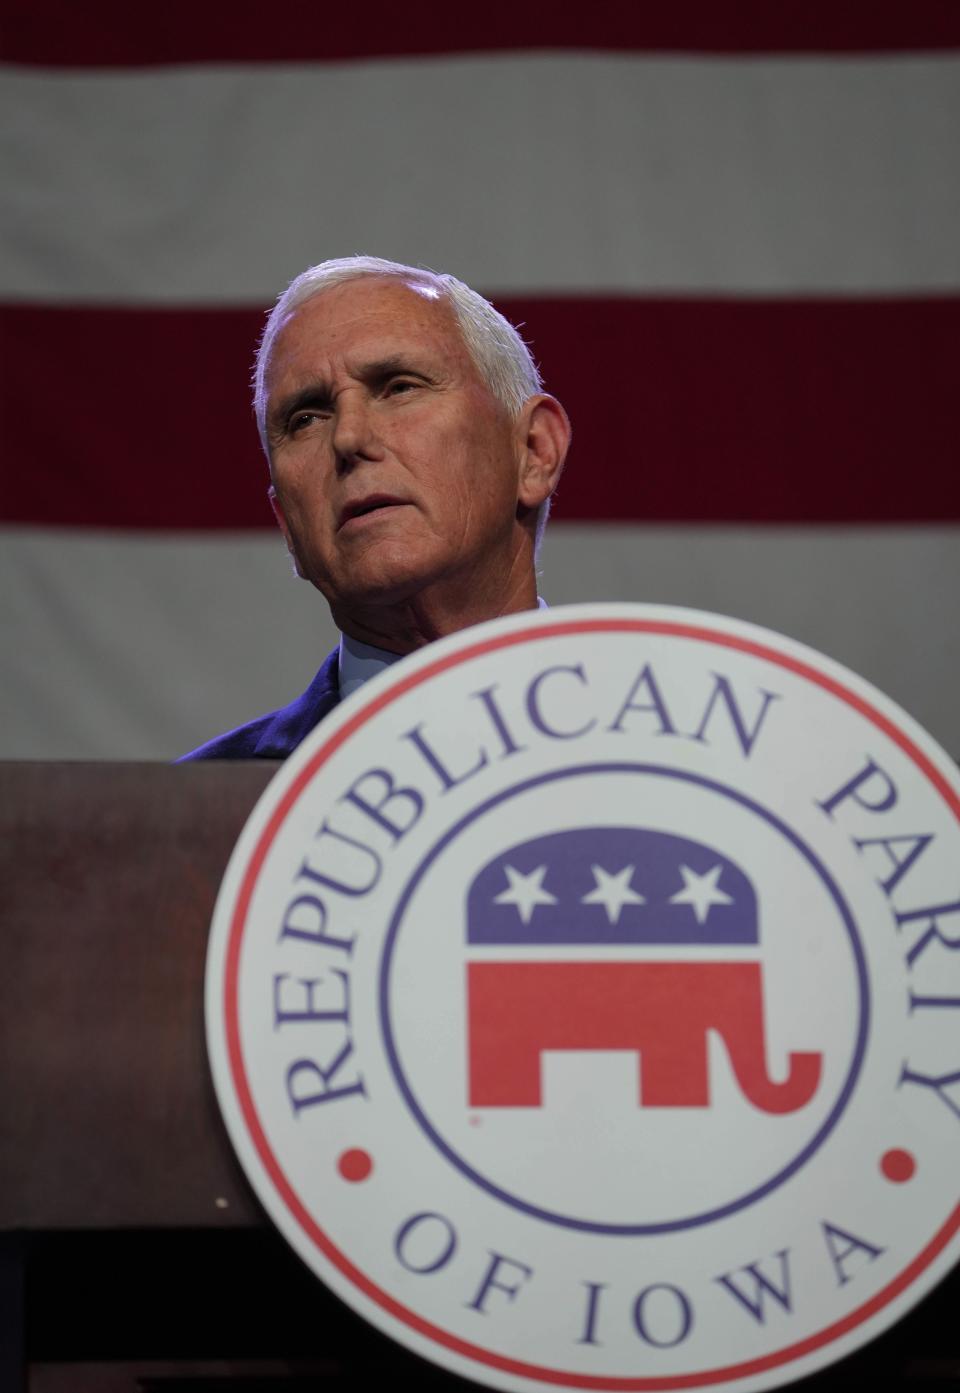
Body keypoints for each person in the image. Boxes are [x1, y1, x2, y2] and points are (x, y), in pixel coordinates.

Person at [180, 255, 572, 760]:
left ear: (534, 452)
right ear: (287, 524)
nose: (348, 438)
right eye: (305, 419)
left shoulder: (691, 748)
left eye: (399, 387)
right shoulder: (188, 819)